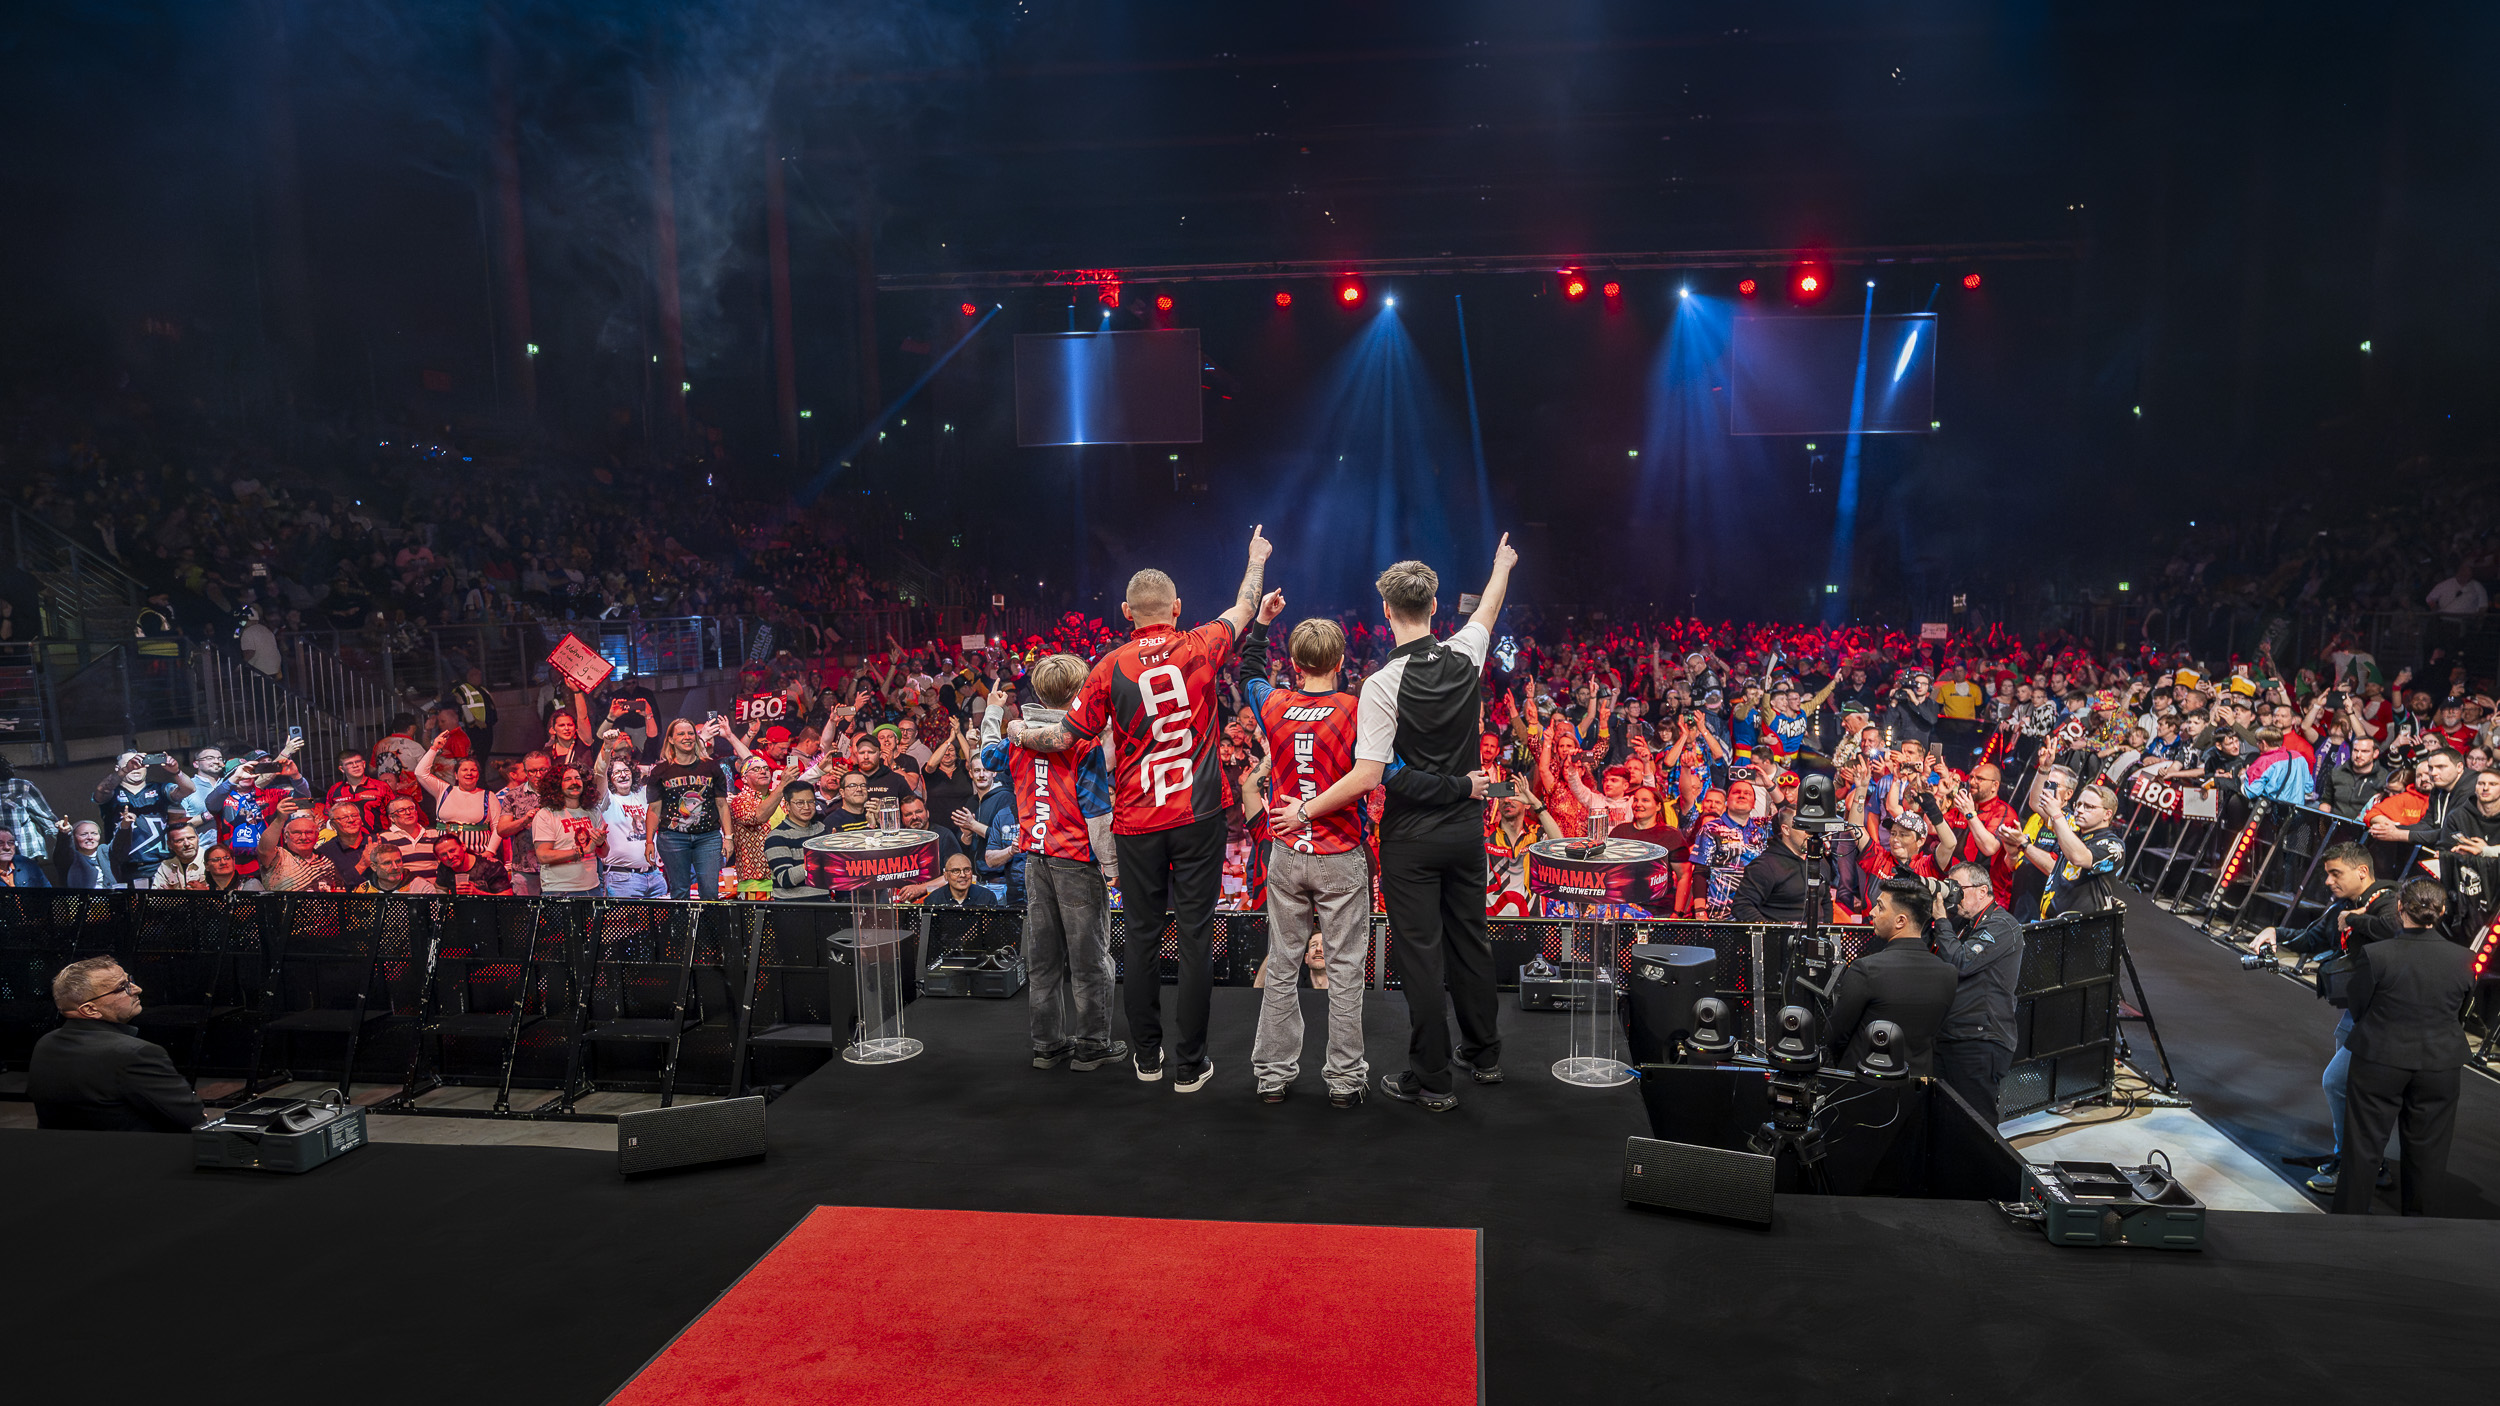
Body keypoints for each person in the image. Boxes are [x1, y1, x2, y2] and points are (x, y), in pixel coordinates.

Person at [1007, 525, 1274, 1092]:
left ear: (1127, 611)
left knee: (1143, 935)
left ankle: (1147, 1058)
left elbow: (1065, 738)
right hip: (1199, 815)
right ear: (1176, 609)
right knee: (1198, 935)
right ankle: (1191, 1063)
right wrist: (1255, 558)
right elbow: (1246, 606)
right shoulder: (1202, 643)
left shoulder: (1107, 667)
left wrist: (1017, 729)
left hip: (1136, 823)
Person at [1277, 535, 1517, 1111]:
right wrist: (1501, 564)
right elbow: (1488, 608)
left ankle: (1433, 1081)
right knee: (1471, 942)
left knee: (1421, 957)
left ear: (1387, 612)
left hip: (1411, 838)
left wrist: (1305, 809)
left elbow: (1372, 776)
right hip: (1465, 833)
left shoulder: (1381, 685)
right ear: (1434, 606)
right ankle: (1483, 1057)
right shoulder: (1465, 653)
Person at [1243, 607, 1374, 1108]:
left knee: (1282, 964)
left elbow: (1250, 671)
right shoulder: (1356, 709)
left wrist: (1260, 624)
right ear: (1341, 659)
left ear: (1293, 663)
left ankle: (1272, 1076)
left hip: (1285, 852)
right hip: (1339, 852)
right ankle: (1344, 1083)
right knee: (1344, 970)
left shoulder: (1273, 703)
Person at [980, 652, 1124, 1073]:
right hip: (1077, 862)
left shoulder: (1017, 738)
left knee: (1042, 959)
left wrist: (992, 711)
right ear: (1080, 694)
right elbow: (1098, 813)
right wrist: (1112, 869)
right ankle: (1092, 1046)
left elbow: (987, 755)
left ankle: (1047, 1046)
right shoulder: (1084, 743)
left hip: (1035, 861)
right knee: (1090, 958)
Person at [2248, 841, 2401, 1195]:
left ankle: (2353, 1163)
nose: (2329, 881)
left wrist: (2355, 918)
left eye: (2336, 873)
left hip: (2385, 1015)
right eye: (2327, 873)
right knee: (2349, 1087)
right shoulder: (2343, 905)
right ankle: (2359, 1159)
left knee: (2337, 1082)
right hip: (2357, 1010)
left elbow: (2394, 930)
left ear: (2362, 871)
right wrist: (2276, 933)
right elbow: (2312, 937)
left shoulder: (2390, 899)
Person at [2335, 878, 2475, 1217]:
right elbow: (2462, 1009)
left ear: (2399, 909)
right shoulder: (2465, 958)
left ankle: (2346, 1226)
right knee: (2429, 1154)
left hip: (2379, 1060)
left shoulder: (2377, 954)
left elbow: (2358, 1004)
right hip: (2440, 1065)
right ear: (2441, 912)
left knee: (2363, 1147)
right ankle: (2420, 1233)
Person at [29, 956, 205, 1132]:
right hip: (134, 1155)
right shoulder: (135, 1053)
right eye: (123, 987)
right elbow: (192, 1118)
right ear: (90, 1009)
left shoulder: (45, 1044)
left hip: (60, 1154)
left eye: (130, 980)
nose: (137, 989)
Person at [1823, 874, 1960, 1077]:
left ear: (1900, 921)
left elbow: (1835, 1036)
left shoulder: (1866, 970)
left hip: (1862, 1083)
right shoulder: (1948, 973)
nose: (1872, 912)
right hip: (1915, 1087)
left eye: (1880, 906)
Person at [1929, 861, 2026, 1120]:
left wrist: (1941, 921)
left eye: (1959, 889)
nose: (1954, 896)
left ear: (1982, 891)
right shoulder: (1961, 922)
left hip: (1980, 1042)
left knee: (1975, 1123)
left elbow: (1961, 962)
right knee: (1940, 1116)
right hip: (1950, 1035)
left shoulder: (2003, 925)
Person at [648, 717, 734, 900]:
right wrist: (649, 841)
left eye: (690, 733)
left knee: (710, 892)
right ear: (671, 739)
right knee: (680, 891)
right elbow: (654, 810)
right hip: (672, 837)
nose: (687, 737)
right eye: (681, 734)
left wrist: (728, 837)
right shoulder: (660, 771)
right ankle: (682, 929)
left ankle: (708, 929)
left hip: (708, 837)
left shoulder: (711, 767)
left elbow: (722, 805)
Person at [1727, 807, 1834, 924]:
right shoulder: (1765, 865)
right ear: (1786, 830)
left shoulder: (1820, 861)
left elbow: (1825, 902)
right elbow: (1742, 906)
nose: (1810, 833)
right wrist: (1771, 932)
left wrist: (1826, 933)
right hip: (1780, 939)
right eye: (1804, 827)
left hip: (1815, 938)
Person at [596, 758, 666, 899]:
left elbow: (662, 773)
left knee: (660, 921)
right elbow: (599, 773)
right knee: (628, 922)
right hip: (622, 879)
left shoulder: (643, 794)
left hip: (655, 876)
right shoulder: (607, 800)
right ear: (609, 778)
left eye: (626, 770)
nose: (622, 775)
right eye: (616, 772)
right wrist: (607, 749)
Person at [531, 765, 605, 897]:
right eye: (568, 779)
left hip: (592, 889)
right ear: (556, 785)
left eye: (577, 778)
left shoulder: (593, 811)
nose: (574, 783)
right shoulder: (546, 814)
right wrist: (582, 851)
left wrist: (600, 843)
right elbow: (543, 856)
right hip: (559, 890)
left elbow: (604, 853)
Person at [762, 780, 830, 894]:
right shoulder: (777, 837)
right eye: (800, 803)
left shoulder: (821, 829)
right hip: (793, 906)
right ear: (787, 805)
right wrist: (819, 859)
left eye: (811, 802)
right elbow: (785, 879)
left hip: (824, 901)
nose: (806, 807)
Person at [352, 840, 440, 895]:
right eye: (387, 863)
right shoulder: (363, 891)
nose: (395, 867)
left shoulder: (421, 888)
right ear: (374, 867)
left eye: (398, 861)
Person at [52, 819, 116, 889]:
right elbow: (63, 850)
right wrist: (65, 834)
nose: (90, 837)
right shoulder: (70, 859)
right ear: (74, 838)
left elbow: (121, 844)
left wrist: (125, 826)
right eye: (83, 834)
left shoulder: (106, 853)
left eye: (94, 833)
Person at [151, 822, 211, 889]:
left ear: (198, 838)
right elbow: (155, 894)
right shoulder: (166, 866)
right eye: (180, 840)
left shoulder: (212, 860)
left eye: (191, 838)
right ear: (169, 844)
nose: (187, 844)